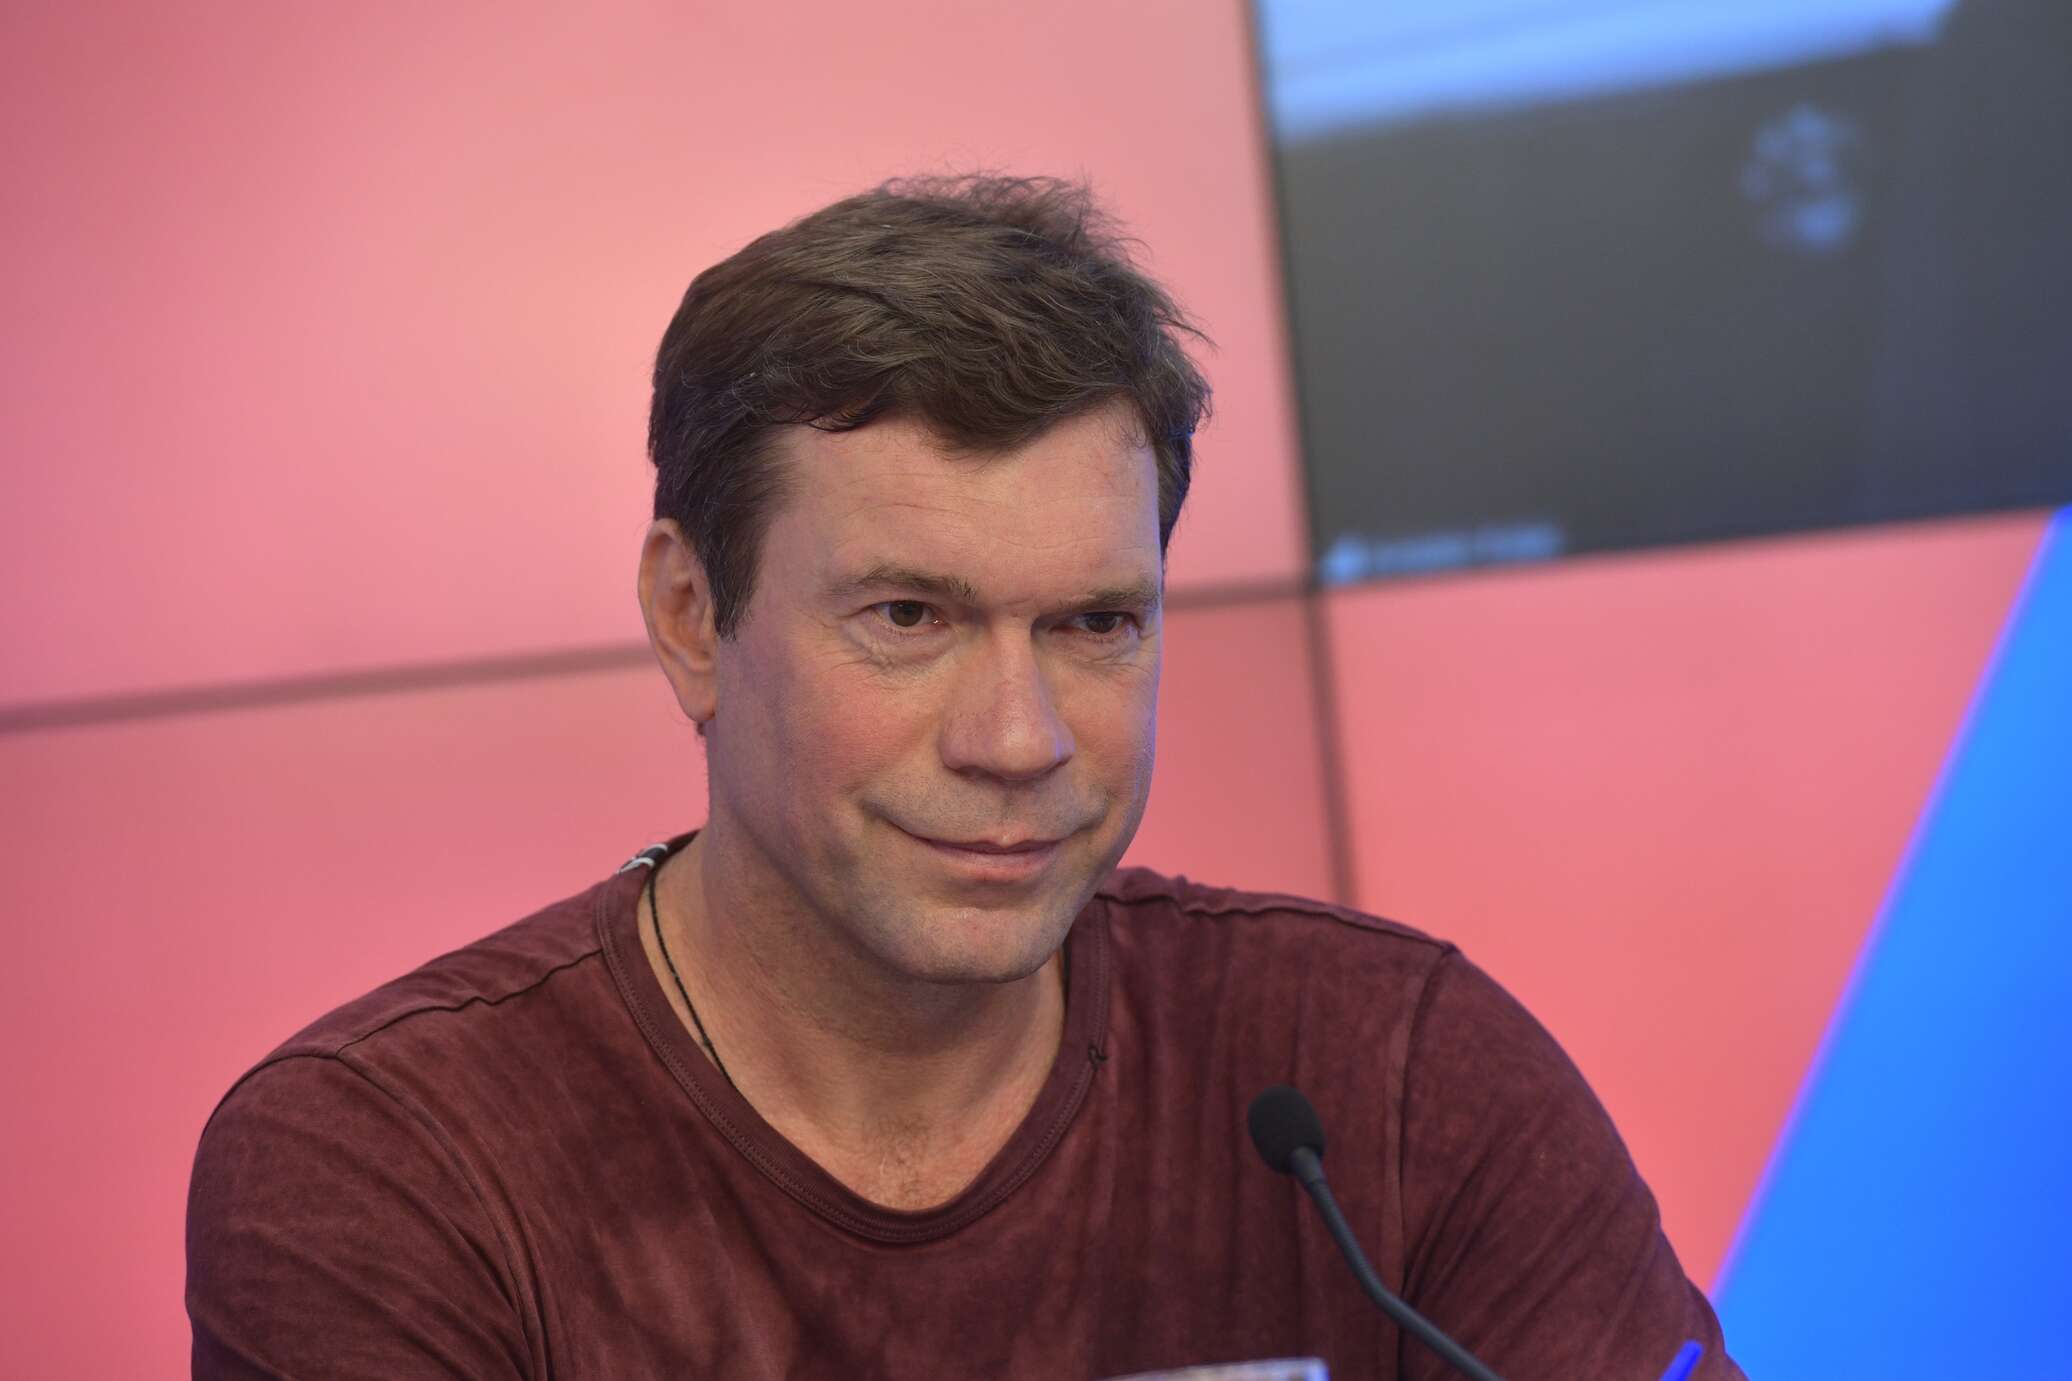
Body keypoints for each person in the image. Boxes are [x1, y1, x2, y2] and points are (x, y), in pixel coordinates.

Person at [185, 175, 1743, 1379]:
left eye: (1094, 624)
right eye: (910, 618)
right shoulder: (399, 1163)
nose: (1019, 738)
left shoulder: (1387, 1077)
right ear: (692, 617)